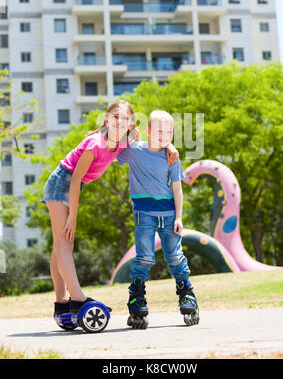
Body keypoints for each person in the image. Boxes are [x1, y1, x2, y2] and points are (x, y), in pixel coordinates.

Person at [41, 100, 178, 318]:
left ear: (131, 125)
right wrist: (73, 217)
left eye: (125, 119)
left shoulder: (124, 142)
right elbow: (74, 180)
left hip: (71, 186)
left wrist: (169, 146)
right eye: (115, 117)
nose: (119, 122)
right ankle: (77, 299)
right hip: (62, 184)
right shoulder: (95, 143)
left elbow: (147, 148)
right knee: (65, 242)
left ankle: (61, 303)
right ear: (106, 119)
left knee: (59, 246)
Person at [116, 109, 199, 328]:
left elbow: (177, 189)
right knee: (143, 257)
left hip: (169, 214)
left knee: (175, 257)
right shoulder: (135, 151)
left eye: (169, 132)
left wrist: (179, 217)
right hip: (144, 214)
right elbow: (115, 151)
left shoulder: (171, 156)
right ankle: (137, 297)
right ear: (149, 130)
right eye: (160, 131)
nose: (164, 135)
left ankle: (187, 294)